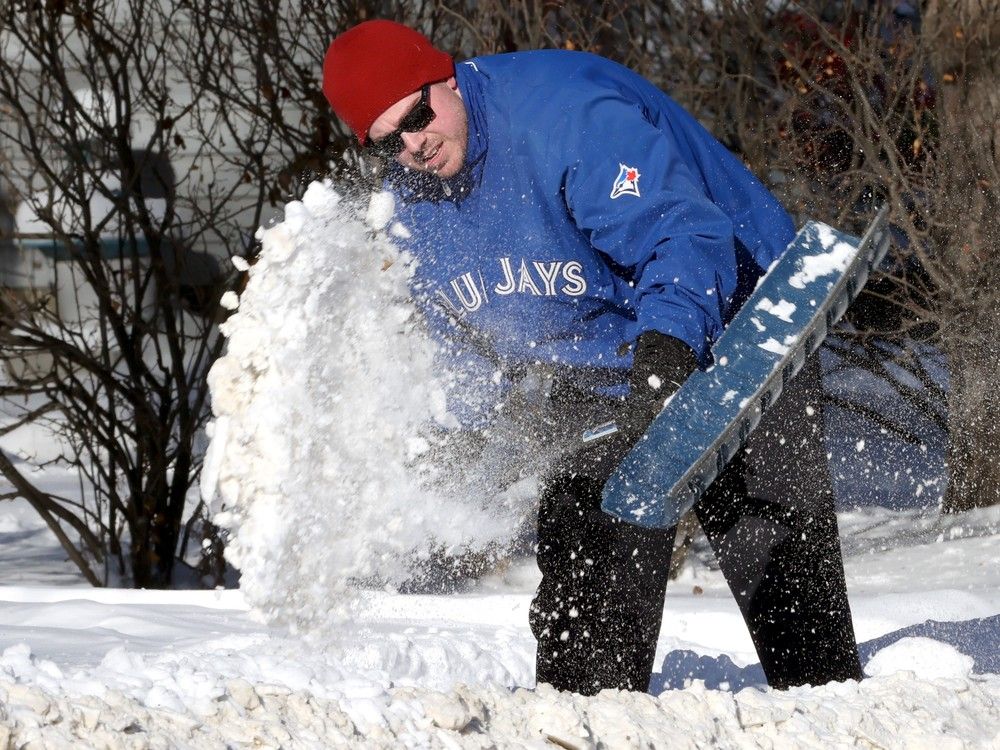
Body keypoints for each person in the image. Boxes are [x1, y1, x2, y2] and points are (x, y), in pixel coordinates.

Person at [321, 19, 864, 696]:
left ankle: (830, 707)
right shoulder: (411, 208)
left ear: (446, 77)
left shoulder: (565, 120)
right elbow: (452, 351)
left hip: (739, 314)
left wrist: (663, 371)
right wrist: (453, 458)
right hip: (601, 360)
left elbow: (686, 234)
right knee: (586, 557)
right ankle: (589, 723)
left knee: (775, 562)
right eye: (389, 142)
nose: (414, 144)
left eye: (419, 114)